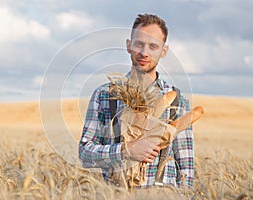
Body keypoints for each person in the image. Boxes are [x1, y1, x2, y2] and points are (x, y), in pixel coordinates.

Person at [79, 13, 194, 189]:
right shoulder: (104, 95)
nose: (144, 53)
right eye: (139, 44)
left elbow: (185, 166)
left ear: (163, 51)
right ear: (129, 46)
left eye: (153, 46)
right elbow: (85, 154)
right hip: (115, 195)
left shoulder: (177, 100)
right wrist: (126, 150)